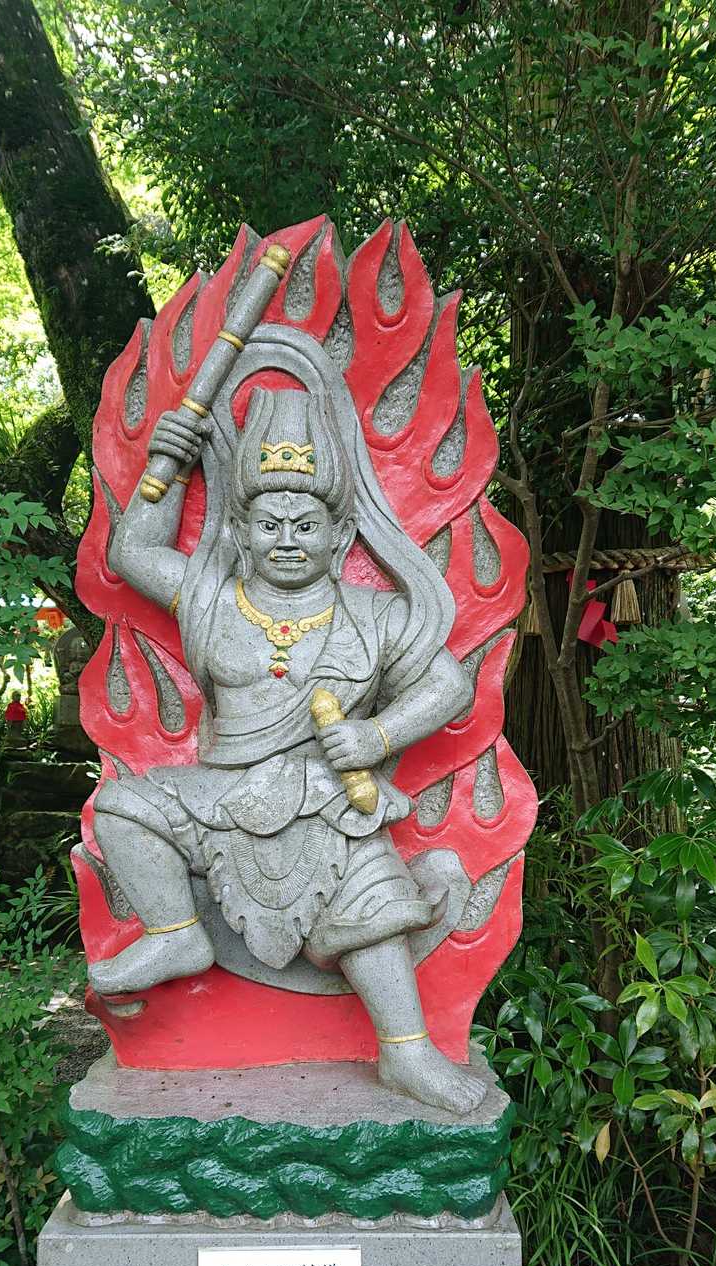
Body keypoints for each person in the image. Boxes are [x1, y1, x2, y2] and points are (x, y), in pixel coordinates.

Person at [92, 385, 487, 1114]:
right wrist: (169, 463)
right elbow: (134, 551)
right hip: (218, 791)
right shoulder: (210, 600)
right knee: (122, 807)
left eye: (306, 525)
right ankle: (174, 932)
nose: (287, 540)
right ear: (241, 532)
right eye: (269, 524)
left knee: (370, 901)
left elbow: (448, 686)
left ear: (340, 535)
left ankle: (407, 1051)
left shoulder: (372, 615)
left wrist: (376, 735)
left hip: (325, 793)